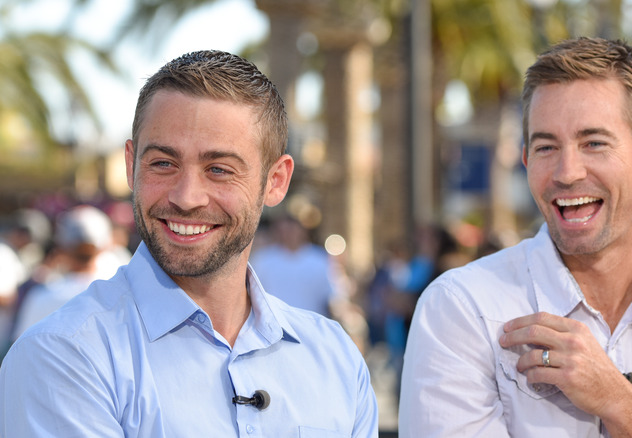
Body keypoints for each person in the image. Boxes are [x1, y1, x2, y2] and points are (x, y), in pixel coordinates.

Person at [399, 37, 632, 437]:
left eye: (594, 143)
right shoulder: (462, 310)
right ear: (526, 160)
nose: (567, 172)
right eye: (546, 147)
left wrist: (619, 401)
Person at [0, 50, 378, 437]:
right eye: (164, 163)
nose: (186, 197)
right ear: (131, 165)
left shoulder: (336, 359)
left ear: (275, 181)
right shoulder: (64, 355)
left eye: (219, 170)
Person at [12, 204, 117, 340]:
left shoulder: (42, 298)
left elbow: (21, 345)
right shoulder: (118, 295)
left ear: (61, 248)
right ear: (106, 246)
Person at [249, 214, 344, 317]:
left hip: (311, 320)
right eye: (284, 230)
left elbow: (332, 295)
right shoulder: (263, 259)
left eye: (292, 229)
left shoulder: (320, 259)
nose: (289, 234)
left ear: (303, 231)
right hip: (274, 320)